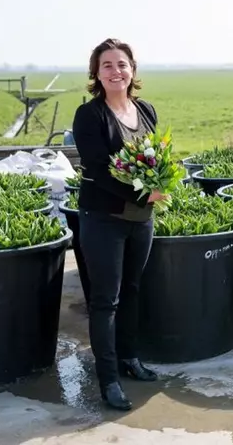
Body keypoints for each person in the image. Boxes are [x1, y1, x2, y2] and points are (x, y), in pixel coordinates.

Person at [72, 38, 168, 411]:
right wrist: (147, 196)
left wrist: (161, 186)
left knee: (131, 291)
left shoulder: (146, 110)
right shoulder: (90, 115)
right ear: (96, 73)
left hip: (141, 222)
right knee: (105, 300)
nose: (116, 71)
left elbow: (156, 159)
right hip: (104, 219)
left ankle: (130, 358)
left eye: (122, 64)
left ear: (133, 70)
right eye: (107, 65)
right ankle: (108, 378)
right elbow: (97, 169)